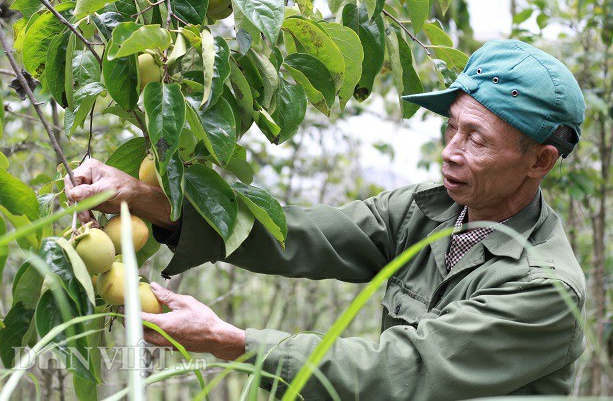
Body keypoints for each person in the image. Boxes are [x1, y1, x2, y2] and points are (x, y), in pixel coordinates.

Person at [65, 39, 587, 399]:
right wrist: (147, 199)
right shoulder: (426, 212)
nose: (450, 152)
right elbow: (304, 234)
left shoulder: (543, 290)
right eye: (450, 128)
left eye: (476, 139)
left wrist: (231, 342)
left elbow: (399, 372)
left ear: (540, 161)